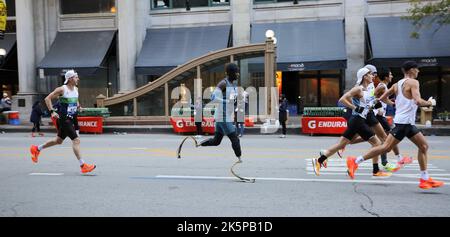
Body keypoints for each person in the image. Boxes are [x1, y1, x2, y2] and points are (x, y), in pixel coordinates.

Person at [346, 61, 444, 189]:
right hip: (403, 123)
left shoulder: (397, 84)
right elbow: (418, 101)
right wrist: (430, 102)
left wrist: (395, 104)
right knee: (385, 147)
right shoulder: (414, 82)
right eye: (417, 69)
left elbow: (382, 98)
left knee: (423, 146)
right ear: (411, 70)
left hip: (407, 122)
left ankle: (425, 179)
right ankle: (355, 161)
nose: (418, 72)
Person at [311, 67, 390, 178]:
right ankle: (369, 168)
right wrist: (355, 107)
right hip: (357, 121)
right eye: (370, 74)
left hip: (358, 121)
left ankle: (319, 160)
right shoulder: (358, 89)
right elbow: (342, 99)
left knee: (342, 144)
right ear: (364, 76)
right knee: (377, 144)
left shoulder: (368, 90)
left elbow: (368, 105)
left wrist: (375, 105)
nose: (373, 76)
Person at [29, 70, 96, 174]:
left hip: (72, 118)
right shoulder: (62, 89)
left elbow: (75, 99)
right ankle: (83, 165)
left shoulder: (76, 89)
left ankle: (36, 149)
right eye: (76, 77)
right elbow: (47, 99)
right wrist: (52, 112)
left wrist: (78, 106)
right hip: (64, 119)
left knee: (58, 141)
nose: (78, 79)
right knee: (76, 140)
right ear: (70, 79)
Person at [197, 63, 242, 161]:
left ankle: (200, 143)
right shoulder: (223, 83)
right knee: (235, 138)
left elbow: (231, 98)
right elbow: (213, 98)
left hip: (224, 116)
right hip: (222, 116)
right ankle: (239, 158)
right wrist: (226, 101)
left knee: (216, 141)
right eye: (236, 72)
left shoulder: (233, 84)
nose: (238, 74)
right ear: (230, 73)